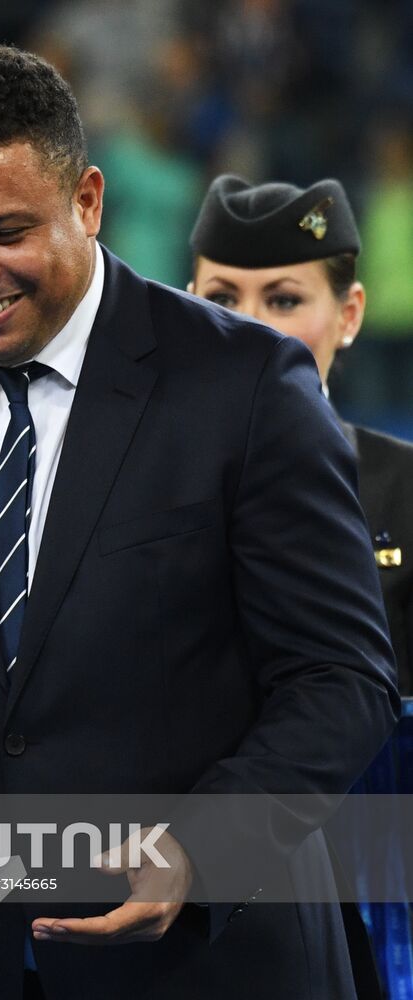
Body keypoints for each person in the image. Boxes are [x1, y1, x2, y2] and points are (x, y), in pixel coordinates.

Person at [0, 44, 398, 1000]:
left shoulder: (247, 385)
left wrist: (200, 850)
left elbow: (341, 678)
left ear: (88, 203)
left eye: (5, 230)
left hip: (214, 966)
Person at [188, 175, 413, 696]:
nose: (247, 327)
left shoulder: (406, 489)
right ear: (187, 306)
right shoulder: (129, 477)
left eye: (284, 301)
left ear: (349, 314)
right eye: (221, 297)